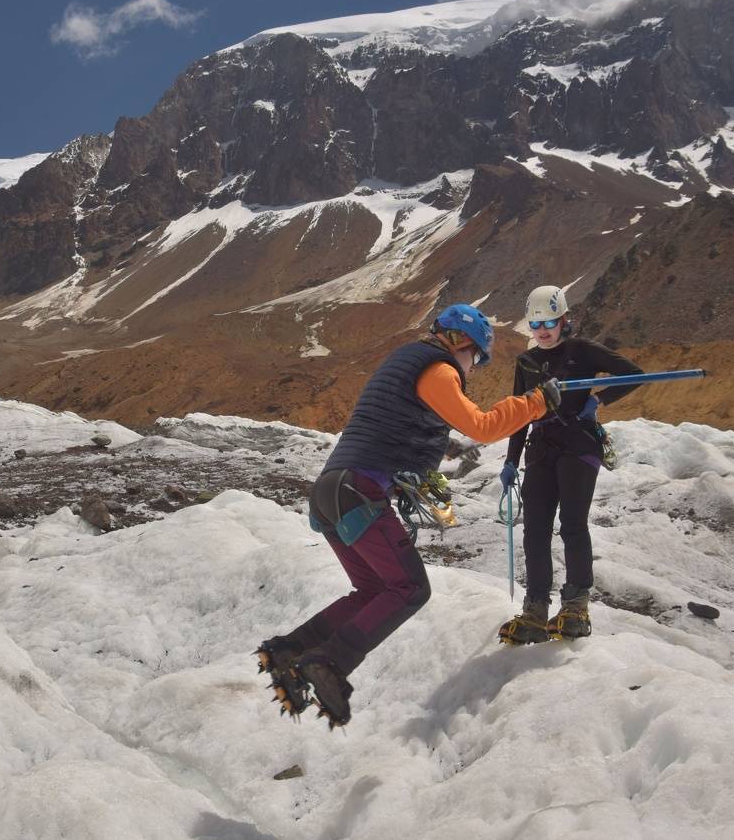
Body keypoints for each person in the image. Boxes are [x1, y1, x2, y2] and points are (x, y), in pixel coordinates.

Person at [258, 304, 560, 728]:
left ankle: (289, 650)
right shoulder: (437, 370)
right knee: (410, 589)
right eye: (476, 358)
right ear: (462, 343)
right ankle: (329, 662)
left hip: (331, 493)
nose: (472, 369)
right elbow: (483, 426)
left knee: (373, 590)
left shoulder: (406, 365)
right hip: (358, 491)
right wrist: (535, 403)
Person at [497, 285, 642, 645]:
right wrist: (511, 460)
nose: (542, 330)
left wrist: (598, 400)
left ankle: (576, 607)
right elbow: (519, 414)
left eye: (549, 322)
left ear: (564, 320)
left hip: (579, 443)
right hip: (540, 449)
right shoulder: (526, 362)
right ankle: (535, 611)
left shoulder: (582, 351)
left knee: (573, 525)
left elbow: (633, 373)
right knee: (534, 530)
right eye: (535, 324)